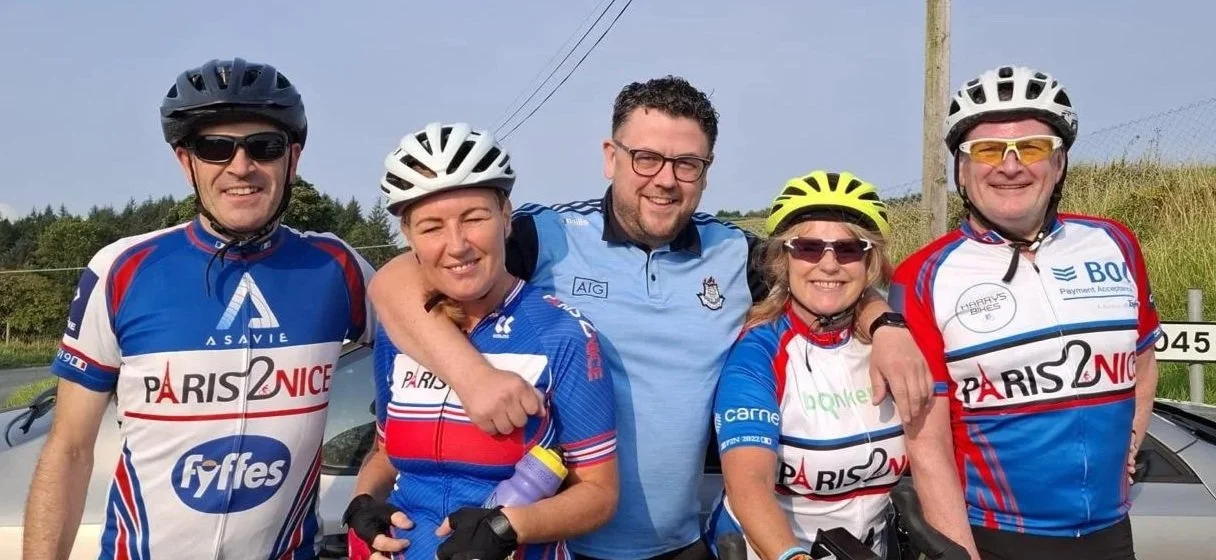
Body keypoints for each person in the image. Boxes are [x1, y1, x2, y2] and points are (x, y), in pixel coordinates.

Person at [367, 76, 933, 560]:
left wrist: (886, 326)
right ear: (610, 157)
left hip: (681, 543)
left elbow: (824, 279)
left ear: (706, 172)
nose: (665, 179)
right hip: (551, 539)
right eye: (646, 158)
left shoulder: (734, 253)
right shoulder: (548, 235)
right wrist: (472, 378)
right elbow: (400, 279)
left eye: (686, 164)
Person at [22, 58, 376, 560]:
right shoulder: (122, 269)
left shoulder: (336, 267)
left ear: (292, 159)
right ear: (186, 161)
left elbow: (431, 335)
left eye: (264, 147)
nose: (241, 166)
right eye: (215, 148)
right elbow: (70, 449)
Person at [893, 65, 1162, 560]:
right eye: (988, 150)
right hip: (995, 536)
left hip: (1110, 533)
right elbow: (927, 445)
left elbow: (1142, 363)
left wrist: (1127, 447)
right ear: (961, 170)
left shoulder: (1114, 242)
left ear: (1059, 164)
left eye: (1032, 147)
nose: (1010, 166)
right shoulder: (923, 276)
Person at [342, 122, 619, 560]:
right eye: (432, 227)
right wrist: (364, 500)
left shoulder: (562, 333)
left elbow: (599, 494)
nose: (457, 246)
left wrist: (508, 528)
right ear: (409, 237)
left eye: (474, 218)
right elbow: (386, 453)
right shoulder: (400, 332)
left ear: (506, 217)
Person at [705, 170, 905, 560]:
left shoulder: (893, 340)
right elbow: (749, 486)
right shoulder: (759, 353)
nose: (829, 265)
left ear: (870, 261)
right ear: (784, 259)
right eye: (809, 248)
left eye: (848, 249)